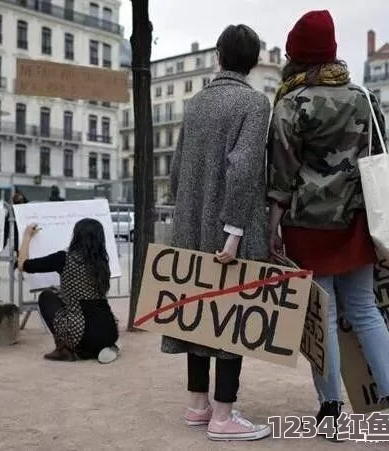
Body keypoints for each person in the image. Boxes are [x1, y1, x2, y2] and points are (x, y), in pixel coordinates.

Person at [266, 10, 389, 443]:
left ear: (298, 55)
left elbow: (281, 174)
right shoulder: (364, 98)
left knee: (323, 318)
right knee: (367, 312)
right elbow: (377, 157)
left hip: (308, 225)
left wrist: (274, 224)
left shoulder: (292, 104)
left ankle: (330, 410)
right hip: (358, 221)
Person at [165, 24, 271, 441]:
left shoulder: (195, 104)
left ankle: (198, 405)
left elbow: (175, 171)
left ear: (218, 57)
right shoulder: (255, 103)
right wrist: (233, 229)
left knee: (196, 311)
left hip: (189, 223)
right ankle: (224, 416)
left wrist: (187, 209)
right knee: (233, 313)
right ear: (254, 61)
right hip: (231, 228)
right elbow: (244, 168)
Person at [17, 218, 119, 364]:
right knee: (60, 294)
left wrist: (27, 236)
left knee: (46, 296)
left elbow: (23, 265)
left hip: (82, 333)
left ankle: (65, 349)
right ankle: (102, 347)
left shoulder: (64, 258)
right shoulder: (102, 263)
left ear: (76, 236)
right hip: (109, 330)